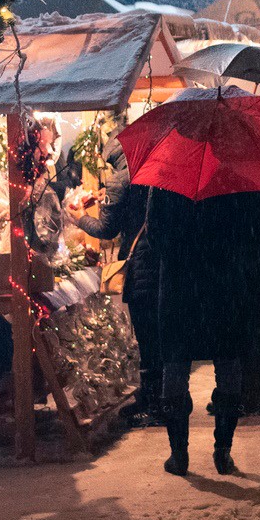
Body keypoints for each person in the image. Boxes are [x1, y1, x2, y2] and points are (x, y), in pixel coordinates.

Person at [138, 185, 260, 476]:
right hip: (222, 283)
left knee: (175, 366)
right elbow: (250, 225)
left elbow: (155, 234)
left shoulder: (167, 180)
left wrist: (183, 251)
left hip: (179, 285)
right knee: (227, 365)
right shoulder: (233, 176)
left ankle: (179, 454)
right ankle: (223, 451)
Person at [73, 137, 155, 423]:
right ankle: (163, 400)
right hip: (164, 265)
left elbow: (106, 229)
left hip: (141, 267)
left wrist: (80, 218)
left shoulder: (121, 180)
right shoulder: (155, 173)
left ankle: (151, 404)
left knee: (147, 339)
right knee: (163, 339)